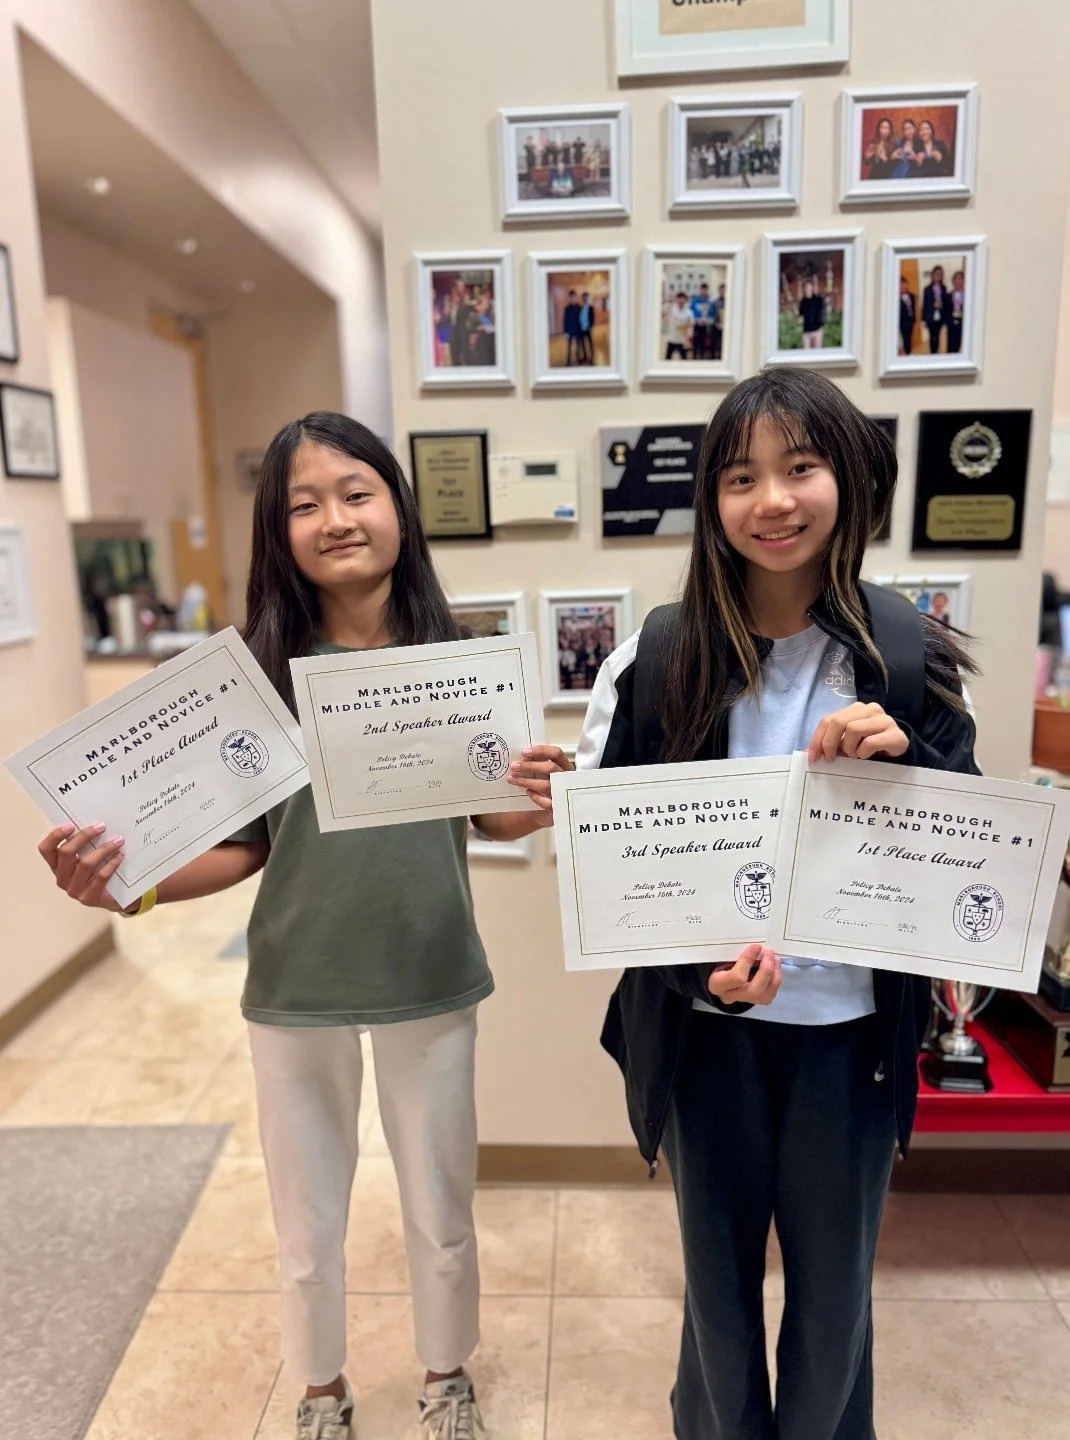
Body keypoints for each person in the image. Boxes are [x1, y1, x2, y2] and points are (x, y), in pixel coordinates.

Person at [39, 411, 572, 1440]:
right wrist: (128, 886)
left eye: (357, 492)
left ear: (398, 511)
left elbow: (490, 811)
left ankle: (444, 1375)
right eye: (304, 503)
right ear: (275, 531)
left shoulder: (454, 656)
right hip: (295, 986)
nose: (335, 518)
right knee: (306, 1224)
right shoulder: (251, 672)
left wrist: (535, 790)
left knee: (438, 1207)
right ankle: (319, 1389)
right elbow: (244, 846)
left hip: (432, 971)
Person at [513, 366, 980, 1440]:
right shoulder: (656, 657)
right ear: (711, 504)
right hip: (703, 1037)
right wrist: (690, 968)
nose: (771, 501)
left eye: (799, 468)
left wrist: (909, 762)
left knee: (833, 1298)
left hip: (848, 1036)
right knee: (716, 1297)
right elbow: (615, 875)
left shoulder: (906, 657)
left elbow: (964, 860)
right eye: (740, 477)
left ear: (846, 480)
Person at [923, 264, 949, 354]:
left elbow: (946, 303)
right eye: (936, 274)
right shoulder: (927, 289)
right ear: (932, 275)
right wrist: (924, 320)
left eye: (939, 275)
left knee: (937, 336)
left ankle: (936, 352)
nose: (937, 277)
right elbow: (925, 304)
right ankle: (932, 353)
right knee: (932, 337)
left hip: (940, 316)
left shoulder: (943, 288)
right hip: (930, 316)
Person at [665, 290, 694, 361]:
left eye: (683, 299)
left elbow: (691, 326)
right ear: (676, 299)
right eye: (679, 298)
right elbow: (663, 312)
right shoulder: (671, 310)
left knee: (684, 361)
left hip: (683, 341)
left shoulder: (689, 312)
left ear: (685, 300)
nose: (681, 301)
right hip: (672, 339)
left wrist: (689, 338)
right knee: (667, 360)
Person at [689, 283, 715, 360]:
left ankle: (702, 358)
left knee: (703, 343)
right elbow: (690, 312)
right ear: (700, 290)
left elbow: (712, 314)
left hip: (705, 326)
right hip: (696, 325)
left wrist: (708, 320)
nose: (703, 291)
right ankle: (694, 357)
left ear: (707, 291)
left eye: (705, 290)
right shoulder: (695, 301)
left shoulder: (710, 302)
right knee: (695, 343)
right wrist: (696, 320)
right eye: (702, 290)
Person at [798, 279, 826, 349]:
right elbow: (800, 314)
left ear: (812, 288)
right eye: (806, 287)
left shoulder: (818, 300)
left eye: (809, 287)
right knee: (806, 354)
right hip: (806, 332)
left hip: (817, 331)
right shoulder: (803, 302)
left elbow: (823, 311)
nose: (807, 289)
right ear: (804, 289)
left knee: (817, 354)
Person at [562, 288, 582, 365]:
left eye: (574, 297)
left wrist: (582, 330)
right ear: (569, 298)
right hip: (570, 331)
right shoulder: (567, 308)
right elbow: (565, 320)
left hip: (577, 330)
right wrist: (565, 332)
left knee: (578, 346)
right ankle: (568, 361)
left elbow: (581, 319)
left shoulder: (579, 307)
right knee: (569, 347)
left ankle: (578, 359)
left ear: (576, 297)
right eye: (571, 297)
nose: (572, 299)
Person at [948, 269, 966, 354]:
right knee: (950, 346)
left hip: (963, 323)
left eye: (960, 278)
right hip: (951, 323)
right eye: (955, 279)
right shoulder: (949, 295)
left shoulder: (968, 295)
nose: (957, 281)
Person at [899, 273, 917, 355]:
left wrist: (913, 319)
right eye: (901, 285)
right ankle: (905, 353)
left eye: (905, 284)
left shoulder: (912, 296)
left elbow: (913, 309)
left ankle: (908, 352)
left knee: (909, 338)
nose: (903, 287)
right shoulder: (896, 297)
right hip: (902, 322)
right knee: (904, 339)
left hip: (910, 321)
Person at [578, 291, 596, 365]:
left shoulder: (591, 308)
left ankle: (591, 357)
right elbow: (579, 317)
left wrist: (591, 326)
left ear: (588, 298)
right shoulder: (580, 307)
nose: (585, 299)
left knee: (590, 343)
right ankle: (585, 357)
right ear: (582, 299)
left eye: (586, 298)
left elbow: (592, 318)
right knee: (583, 344)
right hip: (581, 328)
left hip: (588, 328)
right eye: (584, 298)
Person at [712, 282, 727, 362]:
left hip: (726, 327)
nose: (722, 292)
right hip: (716, 326)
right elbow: (713, 315)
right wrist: (717, 323)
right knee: (714, 343)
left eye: (724, 291)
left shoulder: (729, 303)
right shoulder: (715, 302)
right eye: (721, 291)